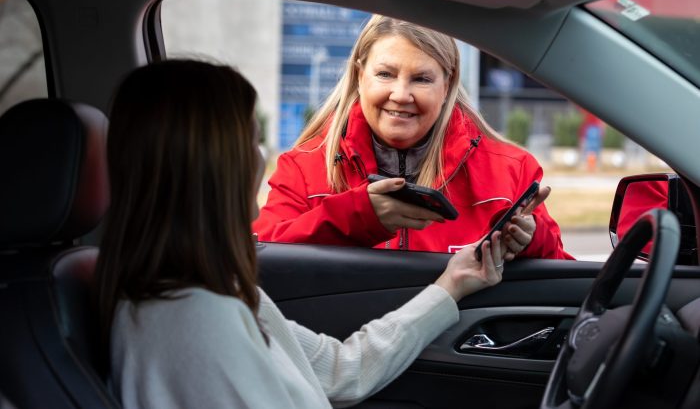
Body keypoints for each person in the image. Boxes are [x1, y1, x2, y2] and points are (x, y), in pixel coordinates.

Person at [95, 60, 510, 408]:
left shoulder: (212, 294)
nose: (262, 155)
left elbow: (339, 370)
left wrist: (450, 285)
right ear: (217, 166)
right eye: (252, 139)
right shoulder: (190, 320)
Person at [254, 15, 573, 260]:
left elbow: (560, 279)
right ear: (359, 75)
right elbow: (261, 260)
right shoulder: (304, 167)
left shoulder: (510, 172)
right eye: (385, 74)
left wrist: (533, 240)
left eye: (421, 79)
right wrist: (358, 216)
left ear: (447, 85)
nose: (401, 94)